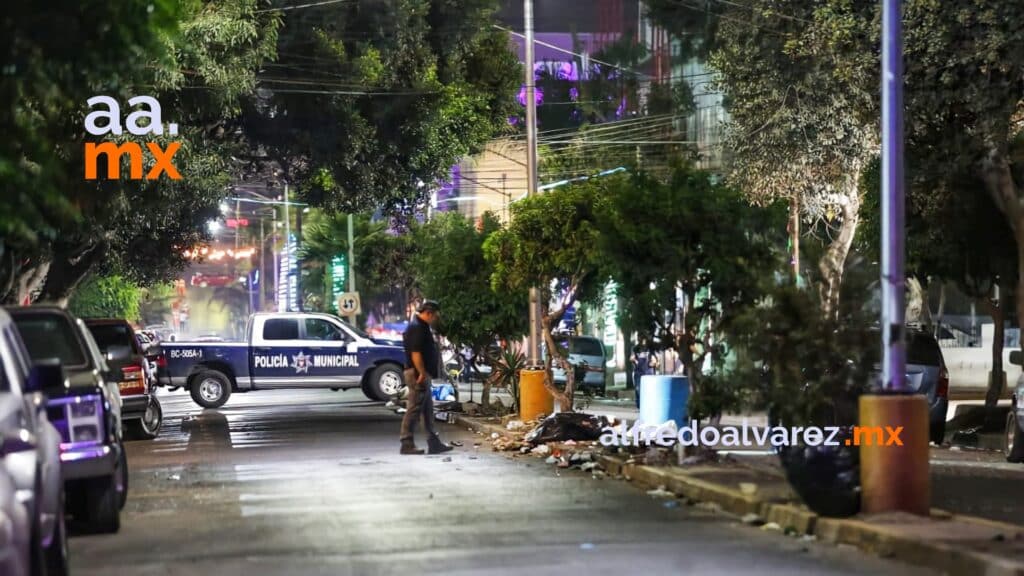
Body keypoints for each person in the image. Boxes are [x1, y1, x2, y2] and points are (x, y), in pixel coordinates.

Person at [399, 300, 453, 455]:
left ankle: (433, 442)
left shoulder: (421, 326)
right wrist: (421, 372)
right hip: (417, 374)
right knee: (414, 408)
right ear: (428, 313)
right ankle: (406, 442)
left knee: (427, 410)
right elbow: (416, 354)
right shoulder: (417, 328)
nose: (436, 319)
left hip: (421, 373)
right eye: (435, 316)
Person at [630, 340, 653, 409]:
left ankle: (647, 405)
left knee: (648, 390)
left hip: (648, 372)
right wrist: (635, 361)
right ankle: (640, 405)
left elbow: (655, 359)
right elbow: (631, 358)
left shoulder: (650, 348)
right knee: (638, 389)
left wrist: (653, 363)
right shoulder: (635, 348)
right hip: (638, 372)